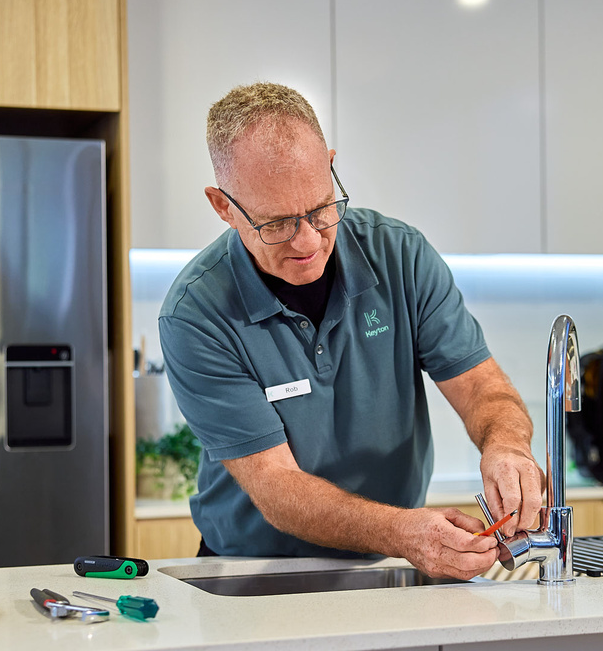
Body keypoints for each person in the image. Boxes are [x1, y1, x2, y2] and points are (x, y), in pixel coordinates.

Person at [158, 82, 542, 579]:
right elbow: (277, 487)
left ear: (332, 165)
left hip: (390, 561)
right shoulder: (196, 313)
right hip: (250, 571)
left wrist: (506, 444)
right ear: (223, 206)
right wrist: (403, 531)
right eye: (276, 223)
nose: (308, 241)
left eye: (321, 208)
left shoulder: (400, 257)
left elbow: (481, 387)